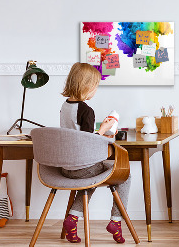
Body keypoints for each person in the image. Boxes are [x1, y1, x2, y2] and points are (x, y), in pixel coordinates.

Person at [60, 62, 130, 244]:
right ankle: (116, 221)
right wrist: (104, 130)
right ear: (86, 86)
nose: (96, 90)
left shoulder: (65, 106)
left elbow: (77, 135)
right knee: (125, 175)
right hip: (83, 167)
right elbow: (87, 142)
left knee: (91, 179)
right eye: (96, 86)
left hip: (66, 167)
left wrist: (99, 130)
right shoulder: (86, 110)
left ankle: (72, 219)